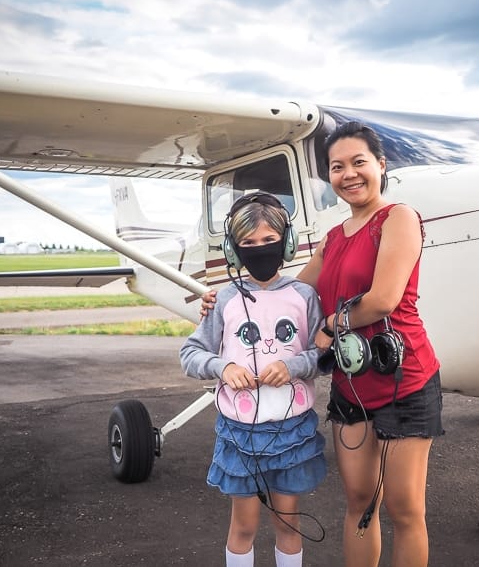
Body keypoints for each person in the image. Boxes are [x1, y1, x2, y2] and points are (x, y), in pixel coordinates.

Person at [203, 122, 443, 566]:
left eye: (359, 162)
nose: (349, 173)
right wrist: (224, 297)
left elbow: (382, 300)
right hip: (353, 386)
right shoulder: (334, 237)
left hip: (403, 381)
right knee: (360, 504)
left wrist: (329, 325)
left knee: (404, 509)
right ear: (329, 176)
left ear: (380, 165)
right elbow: (283, 292)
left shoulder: (399, 218)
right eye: (337, 167)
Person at [180, 192, 327, 567]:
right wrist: (223, 368)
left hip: (293, 431)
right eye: (248, 243)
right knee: (243, 526)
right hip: (240, 435)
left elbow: (323, 355)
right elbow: (191, 353)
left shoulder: (304, 296)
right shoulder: (225, 299)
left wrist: (293, 366)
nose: (259, 249)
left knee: (288, 524)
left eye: (268, 240)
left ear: (286, 242)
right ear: (233, 250)